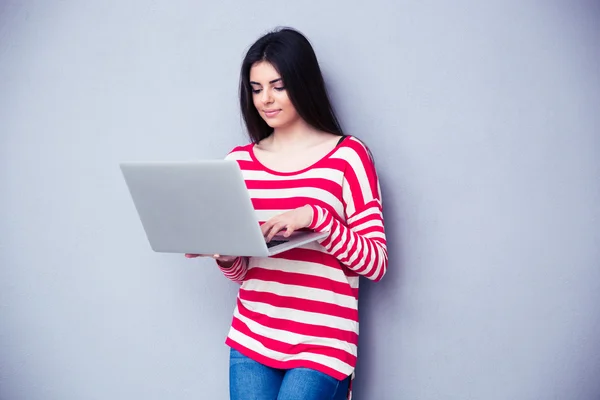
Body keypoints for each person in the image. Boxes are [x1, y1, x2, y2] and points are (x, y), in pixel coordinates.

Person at [186, 27, 388, 400]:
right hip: (252, 336)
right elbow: (245, 272)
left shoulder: (348, 157)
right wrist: (228, 256)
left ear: (303, 83)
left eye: (278, 86)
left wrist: (316, 217)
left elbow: (375, 263)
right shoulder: (238, 163)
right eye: (256, 88)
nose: (266, 99)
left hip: (323, 340)